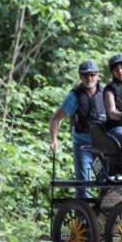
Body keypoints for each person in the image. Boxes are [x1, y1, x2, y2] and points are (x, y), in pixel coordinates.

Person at [50, 60, 106, 197]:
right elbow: (56, 119)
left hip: (104, 147)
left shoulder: (107, 93)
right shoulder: (74, 96)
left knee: (107, 182)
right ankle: (82, 217)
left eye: (92, 75)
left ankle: (105, 214)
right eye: (85, 75)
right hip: (83, 147)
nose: (89, 78)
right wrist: (54, 140)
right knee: (83, 184)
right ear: (80, 77)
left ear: (98, 76)